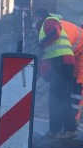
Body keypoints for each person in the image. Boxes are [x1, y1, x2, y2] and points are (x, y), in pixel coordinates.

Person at [33, 8, 77, 140]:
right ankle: (63, 130)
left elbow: (54, 33)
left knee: (56, 98)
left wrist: (41, 45)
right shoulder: (45, 25)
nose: (34, 21)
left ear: (38, 16)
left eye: (34, 17)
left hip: (62, 62)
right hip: (62, 63)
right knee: (59, 97)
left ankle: (62, 130)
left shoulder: (49, 21)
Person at [58, 17, 83, 129]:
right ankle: (66, 117)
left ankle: (74, 119)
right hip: (73, 50)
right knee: (67, 83)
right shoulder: (51, 27)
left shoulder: (56, 35)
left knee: (79, 85)